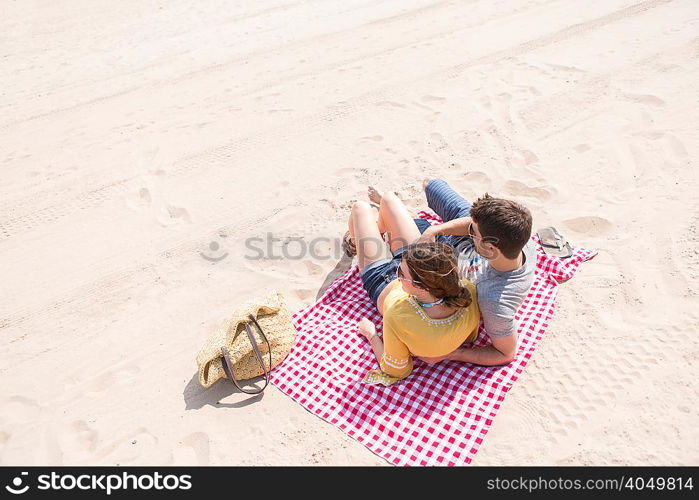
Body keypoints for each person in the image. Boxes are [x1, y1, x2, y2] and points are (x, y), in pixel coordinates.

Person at [368, 179, 536, 366]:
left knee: (401, 227)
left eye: (474, 232)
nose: (470, 230)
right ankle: (408, 219)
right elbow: (472, 224)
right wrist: (435, 230)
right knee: (431, 184)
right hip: (459, 243)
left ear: (490, 247)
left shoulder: (496, 303)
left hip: (444, 257)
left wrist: (451, 354)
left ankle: (391, 217)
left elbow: (505, 353)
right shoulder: (516, 234)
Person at [344, 191, 480, 385]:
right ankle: (375, 234)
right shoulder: (468, 291)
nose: (398, 275)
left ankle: (356, 241)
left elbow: (395, 370)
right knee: (388, 199)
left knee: (360, 208)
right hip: (416, 264)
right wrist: (409, 266)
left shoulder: (398, 317)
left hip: (381, 279)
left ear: (420, 288)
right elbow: (470, 336)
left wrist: (371, 334)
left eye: (400, 275)